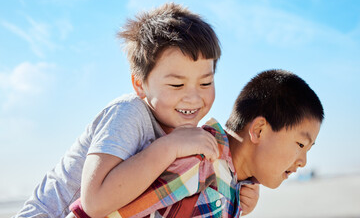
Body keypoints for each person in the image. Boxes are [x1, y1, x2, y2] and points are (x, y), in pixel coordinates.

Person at [14, 3, 258, 218]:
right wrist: (169, 147)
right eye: (176, 84)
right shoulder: (129, 114)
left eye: (205, 82)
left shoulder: (179, 129)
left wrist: (236, 192)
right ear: (140, 84)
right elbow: (95, 203)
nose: (193, 96)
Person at [69, 69, 324, 218]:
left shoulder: (235, 183)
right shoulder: (198, 162)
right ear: (258, 130)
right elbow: (109, 212)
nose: (303, 162)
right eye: (301, 145)